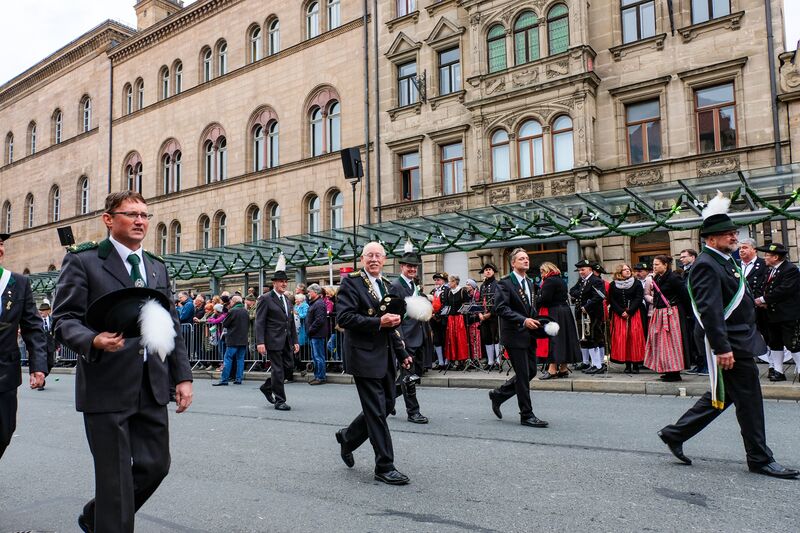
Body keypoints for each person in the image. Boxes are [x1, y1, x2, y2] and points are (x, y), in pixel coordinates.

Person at [52, 191, 193, 532]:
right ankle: (109, 521)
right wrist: (92, 339)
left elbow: (170, 326)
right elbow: (64, 319)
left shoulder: (156, 267)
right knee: (114, 479)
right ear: (108, 219)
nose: (140, 221)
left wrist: (183, 377)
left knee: (156, 465)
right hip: (107, 384)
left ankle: (96, 516)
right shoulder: (84, 261)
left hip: (152, 385)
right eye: (131, 214)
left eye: (145, 215)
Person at [657, 199, 798, 479]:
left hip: (739, 339)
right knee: (750, 401)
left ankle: (675, 433)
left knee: (725, 396)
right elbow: (710, 311)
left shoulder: (723, 261)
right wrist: (722, 348)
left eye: (734, 233)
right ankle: (759, 458)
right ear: (712, 238)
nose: (735, 237)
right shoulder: (707, 264)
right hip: (730, 343)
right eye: (729, 234)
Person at [334, 241, 413, 485]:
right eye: (369, 255)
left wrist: (402, 353)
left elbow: (394, 324)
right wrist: (378, 322)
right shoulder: (352, 282)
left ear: (385, 259)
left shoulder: (388, 285)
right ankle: (384, 466)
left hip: (387, 354)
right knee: (377, 410)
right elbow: (344, 318)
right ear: (362, 259)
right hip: (363, 355)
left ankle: (348, 437)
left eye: (378, 255)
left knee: (387, 405)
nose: (374, 259)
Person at [488, 248, 548, 428]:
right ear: (513, 263)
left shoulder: (529, 282)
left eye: (527, 258)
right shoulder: (505, 283)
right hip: (514, 334)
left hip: (529, 334)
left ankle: (499, 394)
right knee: (523, 375)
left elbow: (530, 308)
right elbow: (501, 308)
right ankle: (526, 414)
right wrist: (523, 321)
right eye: (521, 259)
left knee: (531, 372)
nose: (526, 261)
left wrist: (540, 322)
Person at [0, 232, 47, 460]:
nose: (0, 249)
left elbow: (33, 327)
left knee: (4, 432)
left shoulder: (18, 282)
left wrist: (39, 365)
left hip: (5, 374)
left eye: (0, 244)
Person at [389, 250, 429, 423]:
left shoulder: (414, 285)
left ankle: (387, 400)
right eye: (409, 266)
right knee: (408, 377)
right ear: (402, 266)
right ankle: (413, 412)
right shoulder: (396, 286)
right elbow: (395, 316)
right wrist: (400, 339)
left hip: (418, 335)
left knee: (412, 374)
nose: (413, 269)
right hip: (406, 338)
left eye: (415, 266)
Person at [255, 256, 299, 411]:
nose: (284, 284)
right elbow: (259, 321)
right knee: (278, 370)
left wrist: (295, 340)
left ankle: (268, 386)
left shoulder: (287, 300)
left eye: (286, 281)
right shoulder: (266, 299)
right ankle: (280, 400)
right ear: (274, 283)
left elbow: (290, 321)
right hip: (272, 340)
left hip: (286, 340)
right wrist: (260, 342)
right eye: (281, 281)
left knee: (289, 367)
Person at [754, 243, 800, 382]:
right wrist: (763, 301)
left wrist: (763, 299)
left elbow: (785, 290)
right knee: (775, 343)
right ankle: (778, 371)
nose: (765, 257)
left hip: (788, 314)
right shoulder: (770, 270)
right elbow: (764, 287)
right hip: (772, 314)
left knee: (793, 343)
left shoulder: (790, 269)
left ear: (776, 257)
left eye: (768, 255)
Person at [644, 255, 690, 382]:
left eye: (657, 264)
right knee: (662, 343)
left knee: (672, 343)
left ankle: (675, 372)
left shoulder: (674, 278)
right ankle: (667, 369)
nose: (654, 267)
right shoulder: (657, 277)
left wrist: (687, 313)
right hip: (659, 313)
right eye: (653, 264)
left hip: (672, 313)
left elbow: (684, 295)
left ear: (665, 265)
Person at [535, 262, 580, 380]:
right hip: (564, 311)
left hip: (554, 312)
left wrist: (536, 302)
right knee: (564, 339)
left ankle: (552, 370)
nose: (541, 274)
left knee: (554, 341)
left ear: (548, 270)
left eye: (542, 271)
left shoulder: (549, 281)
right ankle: (563, 369)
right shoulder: (560, 280)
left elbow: (545, 299)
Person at [569, 259, 606, 374]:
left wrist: (587, 305)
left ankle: (598, 365)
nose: (580, 272)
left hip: (593, 314)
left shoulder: (596, 281)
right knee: (585, 338)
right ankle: (590, 363)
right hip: (581, 313)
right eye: (579, 270)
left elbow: (599, 296)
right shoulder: (582, 280)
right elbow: (572, 291)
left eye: (582, 269)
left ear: (590, 269)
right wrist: (581, 295)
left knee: (593, 338)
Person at [607, 264, 646, 374]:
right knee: (623, 339)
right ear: (620, 272)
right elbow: (612, 300)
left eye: (628, 269)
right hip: (619, 315)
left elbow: (639, 298)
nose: (627, 271)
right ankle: (627, 365)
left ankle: (636, 365)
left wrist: (629, 311)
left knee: (635, 338)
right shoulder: (613, 285)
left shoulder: (636, 283)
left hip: (634, 314)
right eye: (625, 270)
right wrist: (621, 312)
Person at [212, 295, 249, 386]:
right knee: (240, 359)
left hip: (233, 338)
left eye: (231, 301)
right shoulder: (245, 311)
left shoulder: (232, 311)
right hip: (243, 338)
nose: (230, 303)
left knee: (228, 358)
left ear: (234, 301)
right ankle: (238, 379)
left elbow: (225, 323)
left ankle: (224, 380)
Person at [478, 263, 500, 368]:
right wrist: (480, 313)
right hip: (483, 317)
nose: (487, 271)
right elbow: (479, 301)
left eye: (489, 269)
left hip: (494, 316)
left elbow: (499, 301)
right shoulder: (482, 286)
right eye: (486, 270)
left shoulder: (498, 284)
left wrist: (490, 314)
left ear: (493, 271)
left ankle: (498, 362)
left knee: (495, 338)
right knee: (486, 338)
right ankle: (490, 362)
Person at [306, 283, 329, 385]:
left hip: (317, 334)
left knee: (318, 356)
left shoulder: (319, 304)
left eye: (309, 292)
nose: (308, 294)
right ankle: (317, 376)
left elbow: (319, 320)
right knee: (316, 357)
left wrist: (310, 329)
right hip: (315, 334)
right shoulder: (315, 302)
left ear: (315, 292)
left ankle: (321, 377)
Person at [443, 275, 469, 368]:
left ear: (455, 282)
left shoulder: (462, 291)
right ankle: (453, 360)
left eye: (450, 281)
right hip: (451, 318)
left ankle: (462, 360)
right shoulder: (449, 292)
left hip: (459, 318)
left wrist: (462, 312)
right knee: (451, 339)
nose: (449, 283)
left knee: (460, 339)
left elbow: (467, 304)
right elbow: (446, 305)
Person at [429, 272, 449, 368]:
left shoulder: (447, 290)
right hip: (434, 319)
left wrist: (437, 315)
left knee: (445, 339)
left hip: (443, 319)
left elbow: (446, 304)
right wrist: (432, 314)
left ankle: (447, 360)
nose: (436, 281)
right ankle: (440, 361)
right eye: (435, 280)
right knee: (437, 340)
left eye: (438, 280)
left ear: (443, 281)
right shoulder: (433, 291)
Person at [38, 300, 57, 388]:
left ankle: (41, 378)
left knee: (50, 364)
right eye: (40, 310)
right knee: (41, 364)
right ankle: (40, 382)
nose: (41, 311)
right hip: (40, 346)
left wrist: (57, 345)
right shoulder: (37, 321)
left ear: (48, 311)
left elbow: (56, 333)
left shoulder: (53, 320)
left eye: (44, 310)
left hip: (50, 346)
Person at [633, 262, 654, 338]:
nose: (637, 273)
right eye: (636, 271)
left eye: (640, 271)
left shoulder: (652, 279)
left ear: (647, 271)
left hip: (651, 307)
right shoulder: (634, 281)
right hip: (639, 309)